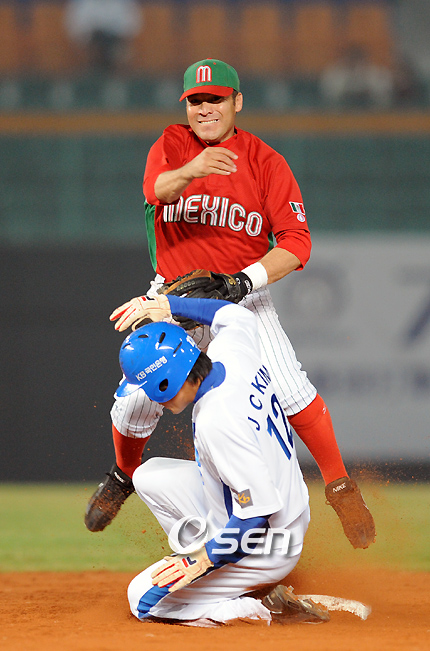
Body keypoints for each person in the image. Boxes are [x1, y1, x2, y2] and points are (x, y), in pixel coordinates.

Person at [85, 58, 375, 550]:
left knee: (291, 391)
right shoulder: (173, 145)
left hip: (244, 296)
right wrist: (191, 169)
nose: (205, 108)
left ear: (237, 101)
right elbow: (156, 190)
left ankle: (340, 486)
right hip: (173, 296)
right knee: (134, 402)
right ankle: (123, 474)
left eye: (215, 99)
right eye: (195, 100)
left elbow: (296, 243)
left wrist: (242, 281)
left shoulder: (266, 162)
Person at [117, 294, 330, 626]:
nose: (148, 395)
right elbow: (233, 314)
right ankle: (217, 574)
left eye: (147, 386)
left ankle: (258, 608)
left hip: (269, 541)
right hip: (279, 507)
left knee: (142, 600)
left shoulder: (218, 422)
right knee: (148, 475)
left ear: (165, 382)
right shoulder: (229, 353)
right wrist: (169, 305)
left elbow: (257, 513)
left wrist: (201, 560)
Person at [64, 0, 142, 73]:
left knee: (119, 50)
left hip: (115, 41)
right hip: (91, 42)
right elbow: (76, 29)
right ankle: (94, 71)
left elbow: (131, 27)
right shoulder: (83, 4)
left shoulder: (123, 4)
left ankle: (115, 75)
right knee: (96, 44)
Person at [319, 45, 394, 109]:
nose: (355, 62)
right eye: (352, 58)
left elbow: (384, 93)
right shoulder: (333, 73)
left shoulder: (377, 73)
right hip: (341, 113)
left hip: (373, 112)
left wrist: (367, 89)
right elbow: (329, 94)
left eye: (358, 58)